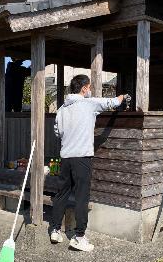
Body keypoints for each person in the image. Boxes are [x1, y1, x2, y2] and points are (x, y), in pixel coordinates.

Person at [50, 75, 127, 252]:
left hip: (66, 157)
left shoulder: (62, 109)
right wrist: (124, 97)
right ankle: (79, 237)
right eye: (89, 87)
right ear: (84, 88)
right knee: (81, 197)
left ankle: (55, 229)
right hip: (82, 157)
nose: (90, 90)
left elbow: (57, 132)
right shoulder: (89, 103)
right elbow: (112, 102)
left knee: (61, 194)